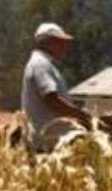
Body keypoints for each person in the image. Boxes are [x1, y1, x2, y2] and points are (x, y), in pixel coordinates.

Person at [21, 22, 92, 151]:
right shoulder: (41, 64)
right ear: (47, 43)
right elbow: (52, 99)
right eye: (60, 42)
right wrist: (80, 115)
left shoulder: (41, 63)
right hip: (49, 141)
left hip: (49, 140)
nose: (64, 47)